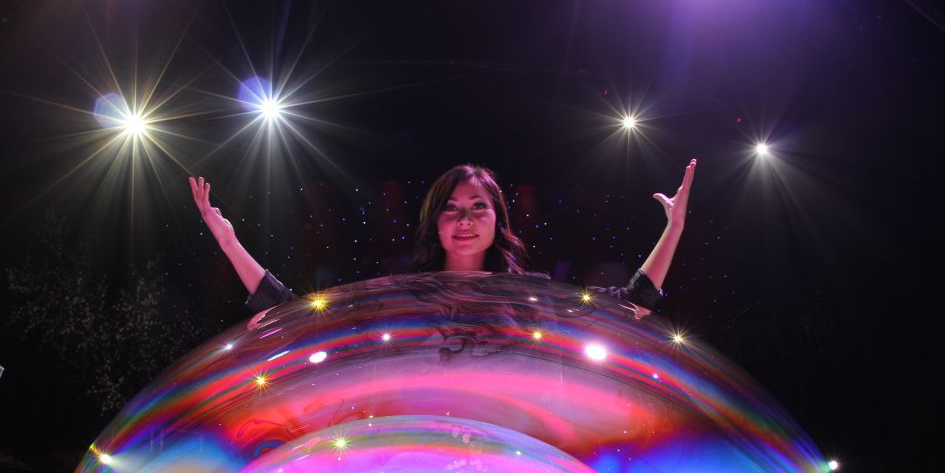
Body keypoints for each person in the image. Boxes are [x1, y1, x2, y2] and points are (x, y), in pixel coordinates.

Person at [189, 159, 695, 316]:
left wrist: (674, 228)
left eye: (478, 207)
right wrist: (230, 243)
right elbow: (295, 315)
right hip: (418, 458)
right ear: (435, 222)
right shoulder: (403, 296)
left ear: (497, 219)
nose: (464, 219)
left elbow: (632, 304)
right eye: (451, 209)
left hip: (506, 455)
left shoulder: (530, 296)